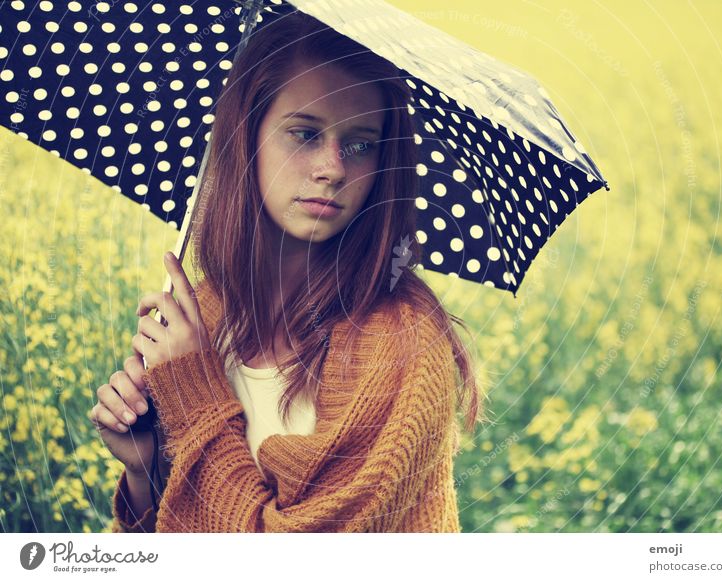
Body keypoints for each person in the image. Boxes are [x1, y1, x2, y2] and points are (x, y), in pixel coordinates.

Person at [88, 11, 483, 533]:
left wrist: (194, 397)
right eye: (305, 133)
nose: (334, 168)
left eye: (362, 144)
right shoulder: (205, 314)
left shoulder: (404, 349)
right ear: (244, 138)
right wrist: (148, 474)